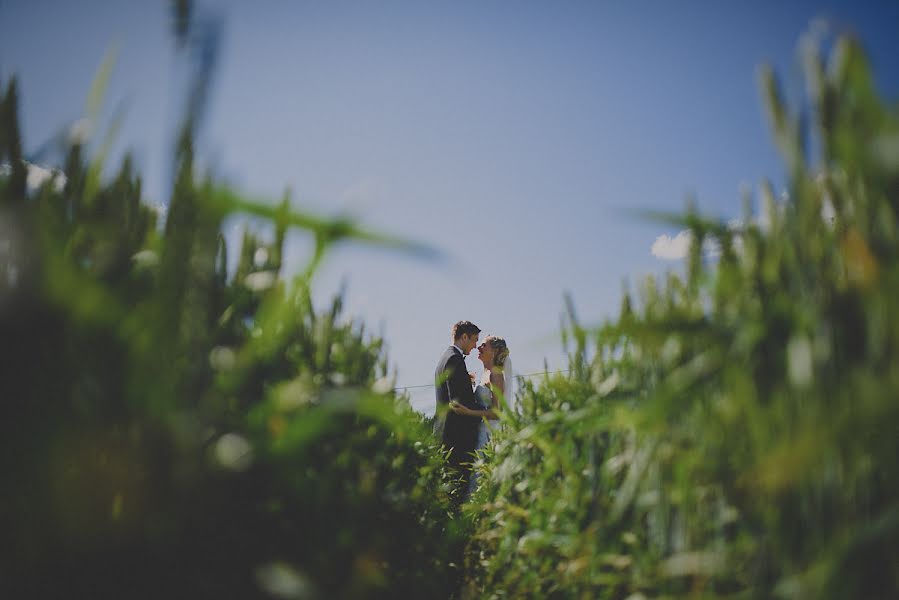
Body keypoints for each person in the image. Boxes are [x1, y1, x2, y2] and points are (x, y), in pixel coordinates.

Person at [448, 335, 511, 496]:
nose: (478, 347)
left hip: (487, 436)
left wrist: (468, 412)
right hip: (478, 432)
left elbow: (496, 413)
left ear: (495, 351)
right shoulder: (485, 373)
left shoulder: (496, 374)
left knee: (480, 480)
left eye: (484, 345)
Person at [433, 320, 482, 508]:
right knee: (456, 491)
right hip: (456, 436)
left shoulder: (446, 357)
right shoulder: (454, 359)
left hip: (444, 433)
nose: (475, 345)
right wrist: (481, 408)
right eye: (474, 340)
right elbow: (459, 403)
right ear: (464, 337)